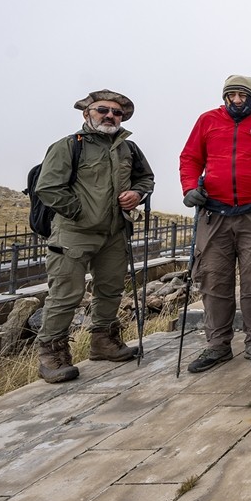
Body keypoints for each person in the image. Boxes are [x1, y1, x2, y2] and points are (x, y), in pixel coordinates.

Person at [33, 89, 155, 382]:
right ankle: (52, 353)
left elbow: (146, 178)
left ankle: (103, 341)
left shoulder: (130, 149)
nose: (110, 116)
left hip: (114, 233)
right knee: (65, 295)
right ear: (87, 113)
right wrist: (80, 212)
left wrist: (136, 193)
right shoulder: (68, 146)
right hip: (73, 233)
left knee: (111, 289)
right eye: (103, 110)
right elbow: (48, 187)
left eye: (116, 112)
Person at [180, 75, 251, 370]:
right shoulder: (207, 121)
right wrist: (190, 187)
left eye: (242, 95)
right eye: (231, 95)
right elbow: (190, 157)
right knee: (213, 278)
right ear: (225, 97)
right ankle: (217, 345)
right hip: (214, 212)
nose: (236, 100)